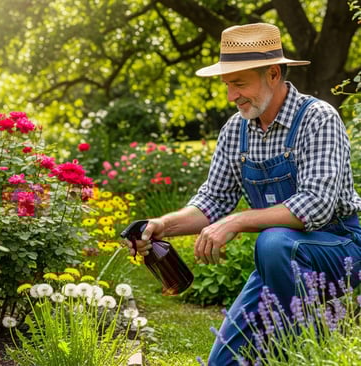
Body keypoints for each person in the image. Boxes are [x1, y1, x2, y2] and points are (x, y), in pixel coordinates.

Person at [126, 23, 361, 364]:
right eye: (227, 85)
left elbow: (317, 206)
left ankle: (296, 355)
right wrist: (161, 225)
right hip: (280, 262)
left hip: (341, 249)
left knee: (273, 241)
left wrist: (238, 220)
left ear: (274, 74)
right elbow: (213, 200)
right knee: (223, 361)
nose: (231, 96)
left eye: (239, 83)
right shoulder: (236, 130)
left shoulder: (318, 119)